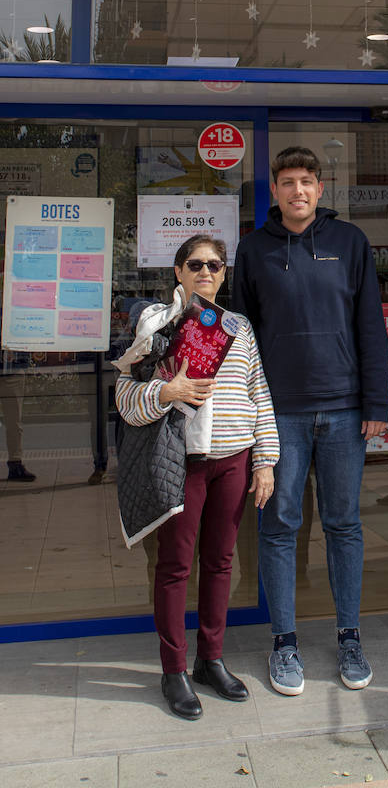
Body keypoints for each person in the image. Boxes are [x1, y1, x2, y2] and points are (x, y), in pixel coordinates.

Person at [232, 145, 388, 694]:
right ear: (273, 191)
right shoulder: (251, 251)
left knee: (344, 525)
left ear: (321, 189)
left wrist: (376, 403)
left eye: (307, 181)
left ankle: (349, 636)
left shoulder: (350, 243)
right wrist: (248, 413)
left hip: (345, 412)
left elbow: (371, 326)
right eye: (287, 182)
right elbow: (241, 341)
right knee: (279, 529)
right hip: (279, 418)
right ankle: (284, 643)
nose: (297, 190)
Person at [115, 236, 279, 721]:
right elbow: (125, 396)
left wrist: (265, 458)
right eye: (195, 264)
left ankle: (211, 659)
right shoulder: (154, 325)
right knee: (175, 566)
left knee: (221, 562)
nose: (205, 271)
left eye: (214, 265)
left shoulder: (238, 327)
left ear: (224, 274)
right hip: (182, 459)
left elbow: (259, 393)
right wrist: (167, 390)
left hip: (233, 457)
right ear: (178, 272)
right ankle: (174, 670)